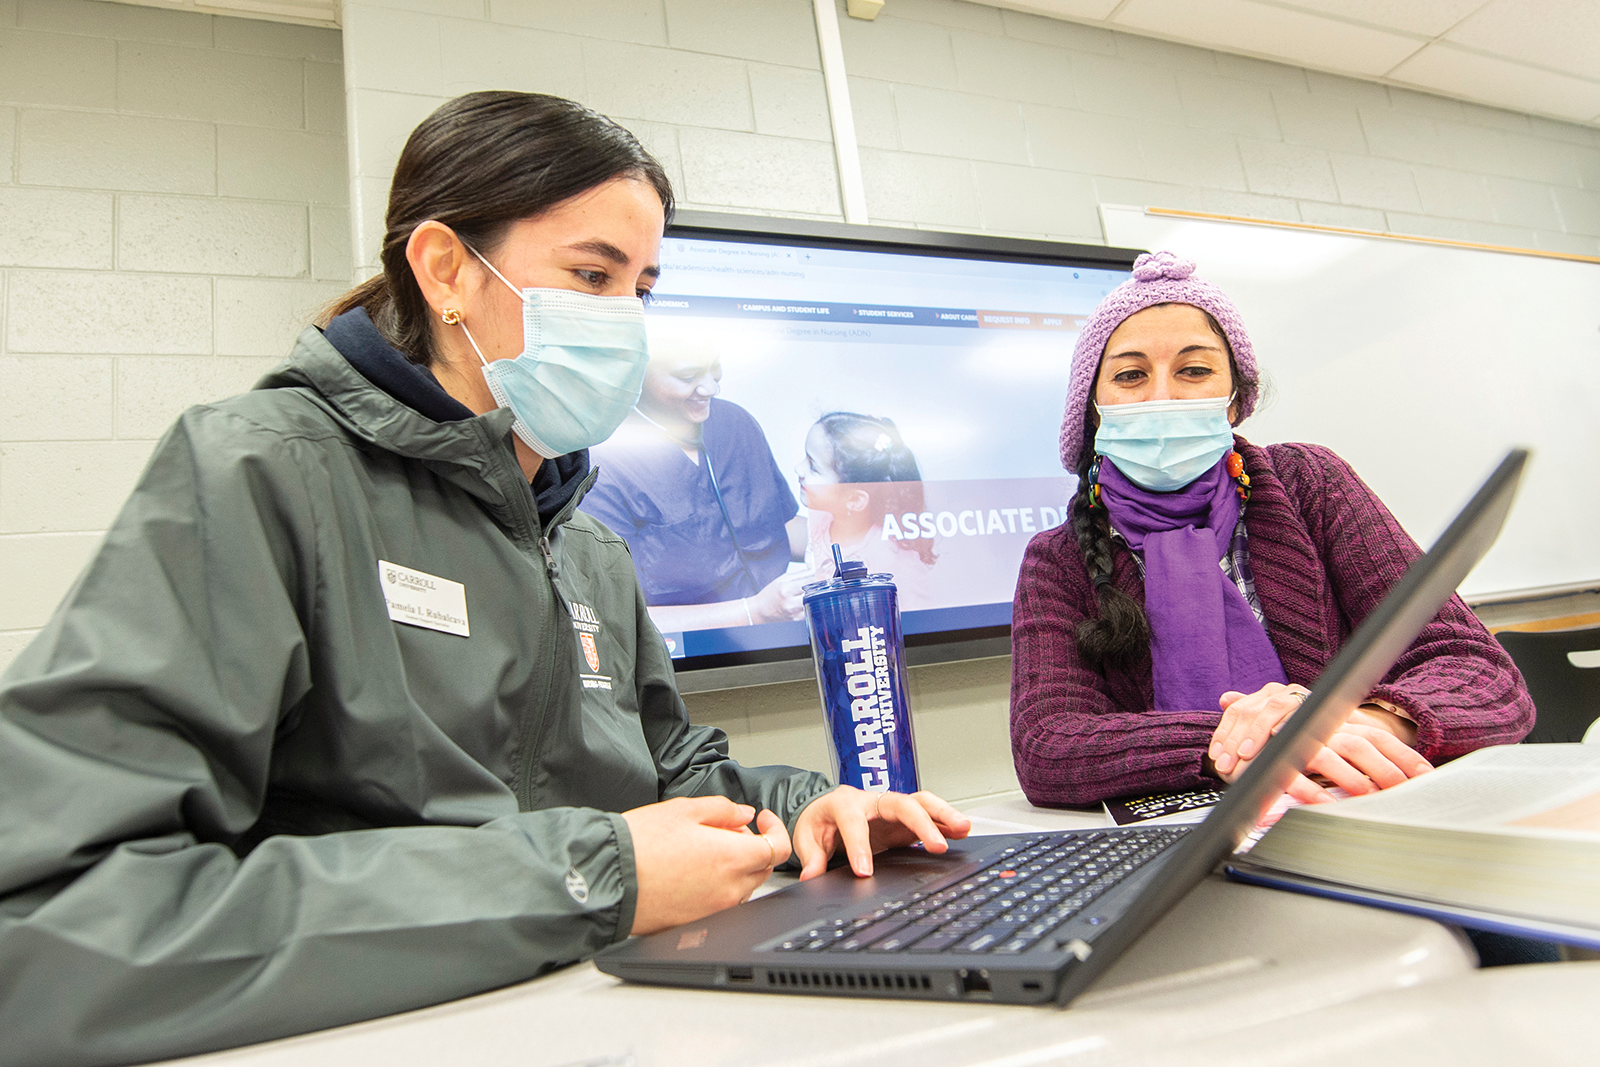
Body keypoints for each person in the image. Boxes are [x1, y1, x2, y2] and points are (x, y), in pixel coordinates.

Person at [0, 91, 969, 1067]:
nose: (628, 321)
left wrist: (806, 804)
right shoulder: (261, 474)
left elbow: (670, 773)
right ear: (446, 269)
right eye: (592, 274)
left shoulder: (583, 541)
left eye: (643, 287)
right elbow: (56, 920)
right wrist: (591, 875)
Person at [1009, 251, 1533, 809]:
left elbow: (1478, 674)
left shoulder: (1310, 483)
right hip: (1184, 838)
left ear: (1236, 401)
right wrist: (1245, 740)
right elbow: (1049, 745)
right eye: (1131, 375)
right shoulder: (1058, 558)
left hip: (1355, 806)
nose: (1162, 394)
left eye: (1194, 369)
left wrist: (1358, 721)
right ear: (1093, 410)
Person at [582, 326, 808, 630]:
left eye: (714, 369)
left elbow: (777, 528)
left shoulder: (735, 423)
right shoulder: (603, 461)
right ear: (636, 373)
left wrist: (862, 538)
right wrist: (755, 612)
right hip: (691, 662)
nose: (710, 388)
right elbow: (617, 618)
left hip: (785, 640)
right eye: (688, 377)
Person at [798, 411, 937, 610]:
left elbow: (920, 627)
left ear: (854, 500)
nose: (798, 469)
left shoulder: (896, 563)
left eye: (813, 467)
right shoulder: (823, 519)